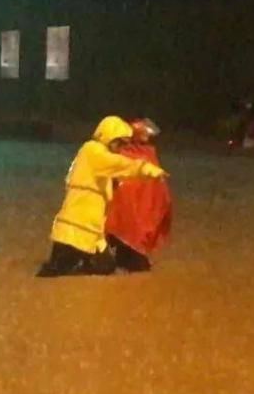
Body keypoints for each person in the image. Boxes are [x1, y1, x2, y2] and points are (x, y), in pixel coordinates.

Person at [36, 116, 168, 277]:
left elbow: (117, 169)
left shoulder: (100, 156)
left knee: (105, 266)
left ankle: (83, 259)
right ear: (109, 137)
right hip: (75, 228)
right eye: (119, 142)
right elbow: (119, 164)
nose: (120, 147)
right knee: (57, 269)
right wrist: (145, 169)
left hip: (93, 230)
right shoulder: (92, 151)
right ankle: (76, 261)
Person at [105, 118, 172, 273]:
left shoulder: (141, 152)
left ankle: (127, 256)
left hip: (141, 207)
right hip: (131, 208)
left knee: (134, 230)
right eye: (144, 134)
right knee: (132, 231)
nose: (147, 137)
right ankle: (128, 256)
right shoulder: (131, 154)